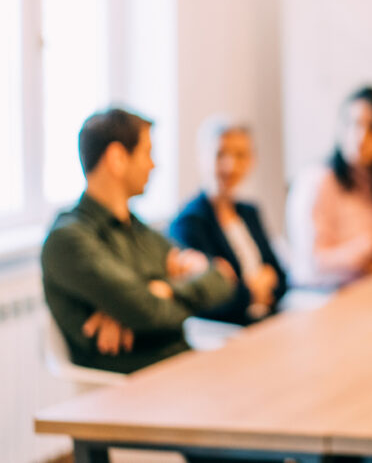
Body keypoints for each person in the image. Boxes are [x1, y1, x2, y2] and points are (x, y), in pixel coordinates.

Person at [41, 108, 237, 374]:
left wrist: (161, 292)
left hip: (181, 368)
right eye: (147, 152)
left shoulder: (138, 230)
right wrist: (149, 299)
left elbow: (221, 278)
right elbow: (145, 310)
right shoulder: (68, 239)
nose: (153, 165)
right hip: (132, 388)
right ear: (117, 158)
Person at [286, 87, 372, 287]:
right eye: (352, 124)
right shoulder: (317, 181)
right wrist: (365, 249)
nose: (361, 137)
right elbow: (311, 262)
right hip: (323, 293)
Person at [169, 116, 288, 325]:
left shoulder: (250, 212)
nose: (230, 165)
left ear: (252, 160)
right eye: (220, 154)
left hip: (267, 322)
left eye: (240, 155)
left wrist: (258, 287)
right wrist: (251, 292)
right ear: (203, 157)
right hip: (229, 331)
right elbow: (206, 298)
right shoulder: (189, 222)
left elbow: (281, 277)